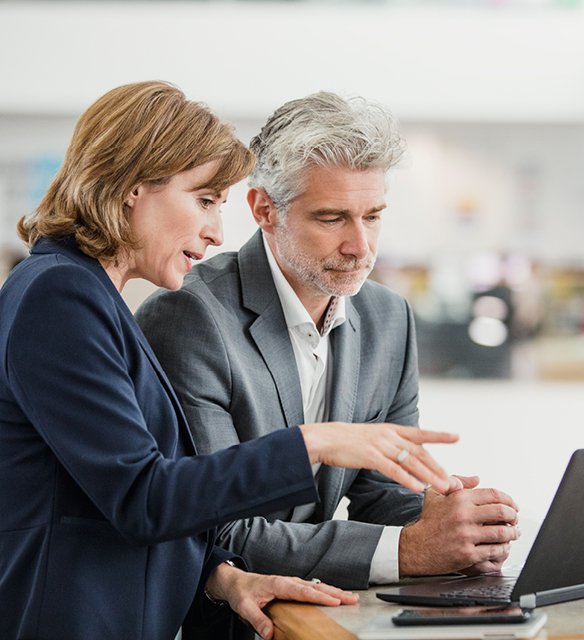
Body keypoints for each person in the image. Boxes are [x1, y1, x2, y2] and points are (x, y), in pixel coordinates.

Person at [0, 81, 461, 640]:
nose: (217, 232)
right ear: (133, 188)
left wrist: (222, 577)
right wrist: (314, 442)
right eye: (204, 200)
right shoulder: (61, 295)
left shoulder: (87, 294)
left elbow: (118, 499)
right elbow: (144, 499)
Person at [136, 91, 520, 599]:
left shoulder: (387, 318)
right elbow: (217, 530)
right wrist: (408, 551)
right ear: (264, 210)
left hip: (326, 611)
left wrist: (451, 524)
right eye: (332, 218)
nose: (360, 246)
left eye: (373, 216)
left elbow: (382, 494)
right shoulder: (190, 317)